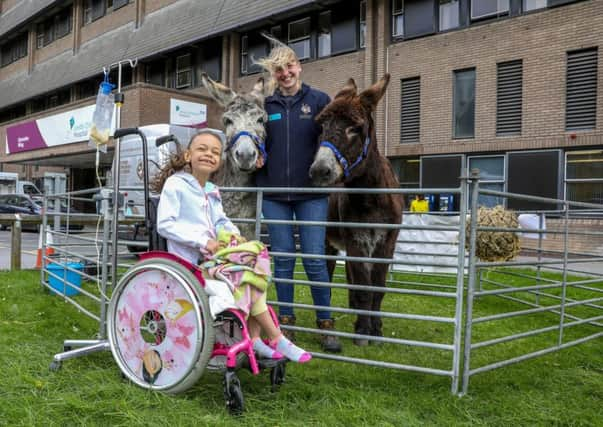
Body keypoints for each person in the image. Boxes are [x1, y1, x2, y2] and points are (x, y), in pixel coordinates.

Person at [154, 128, 311, 363]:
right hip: (189, 263)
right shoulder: (176, 185)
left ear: (219, 161)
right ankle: (274, 338)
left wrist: (236, 237)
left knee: (255, 263)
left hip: (215, 260)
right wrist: (203, 241)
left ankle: (259, 339)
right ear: (188, 156)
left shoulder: (211, 191)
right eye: (202, 149)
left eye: (215, 152)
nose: (209, 154)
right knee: (245, 278)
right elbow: (165, 224)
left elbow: (221, 221)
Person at [254, 36, 342, 353]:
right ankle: (285, 322)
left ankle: (327, 324)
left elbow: (332, 139)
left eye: (289, 66)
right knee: (284, 260)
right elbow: (255, 135)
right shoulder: (265, 105)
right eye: (279, 69)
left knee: (316, 260)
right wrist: (258, 153)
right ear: (274, 74)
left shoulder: (319, 100)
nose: (286, 73)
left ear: (299, 66)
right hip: (275, 193)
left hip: (311, 193)